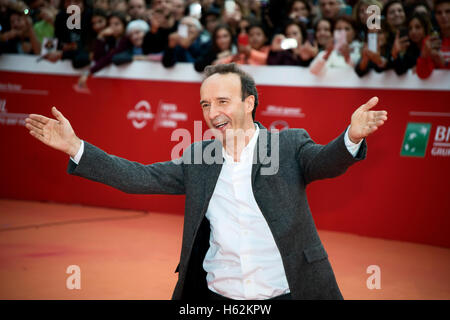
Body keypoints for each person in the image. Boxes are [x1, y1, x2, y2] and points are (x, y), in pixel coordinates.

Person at [25, 63, 388, 300]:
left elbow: (325, 162)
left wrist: (350, 138)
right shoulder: (199, 158)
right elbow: (140, 177)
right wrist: (75, 147)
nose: (213, 113)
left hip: (289, 290)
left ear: (250, 103)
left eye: (222, 101)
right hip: (216, 295)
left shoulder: (289, 144)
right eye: (205, 105)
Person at [416, 0, 450, 78]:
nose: (443, 16)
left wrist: (445, 63)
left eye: (448, 11)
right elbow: (423, 74)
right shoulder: (430, 40)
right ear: (435, 16)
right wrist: (424, 55)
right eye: (439, 13)